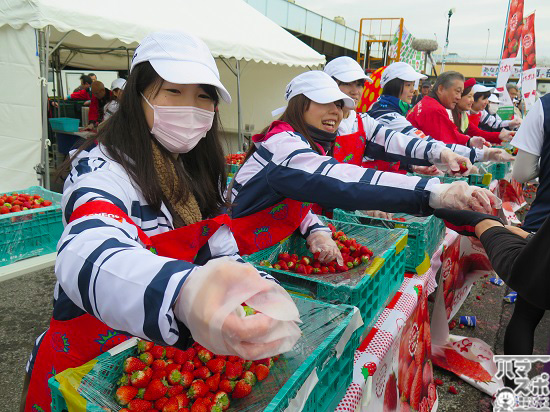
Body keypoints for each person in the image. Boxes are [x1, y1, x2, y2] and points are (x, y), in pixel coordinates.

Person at [21, 30, 299, 412]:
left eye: (204, 96)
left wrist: (258, 291)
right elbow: (87, 248)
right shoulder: (102, 168)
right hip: (91, 358)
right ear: (138, 96)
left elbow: (220, 251)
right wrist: (184, 294)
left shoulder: (200, 169)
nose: (191, 107)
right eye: (173, 91)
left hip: (163, 354)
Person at [226, 70, 500, 260]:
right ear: (300, 104)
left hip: (260, 247)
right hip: (236, 253)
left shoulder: (304, 141)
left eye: (339, 104)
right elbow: (339, 177)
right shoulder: (284, 145)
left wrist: (315, 229)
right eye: (327, 102)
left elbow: (290, 201)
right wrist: (434, 192)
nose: (337, 110)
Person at [323, 59, 480, 174]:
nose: (355, 91)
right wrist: (477, 153)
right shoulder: (386, 115)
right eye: (408, 85)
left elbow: (401, 142)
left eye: (359, 84)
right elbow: (415, 141)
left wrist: (418, 164)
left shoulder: (363, 120)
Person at [367, 63, 511, 168]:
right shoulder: (392, 114)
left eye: (413, 85)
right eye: (408, 85)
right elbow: (430, 144)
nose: (412, 90)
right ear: (441, 89)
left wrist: (470, 142)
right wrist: (481, 154)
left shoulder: (383, 107)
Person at [407, 71, 486, 148]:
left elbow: (450, 134)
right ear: (441, 89)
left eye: (461, 93)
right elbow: (444, 147)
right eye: (457, 91)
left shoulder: (429, 103)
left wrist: (469, 141)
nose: (459, 97)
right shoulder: (435, 109)